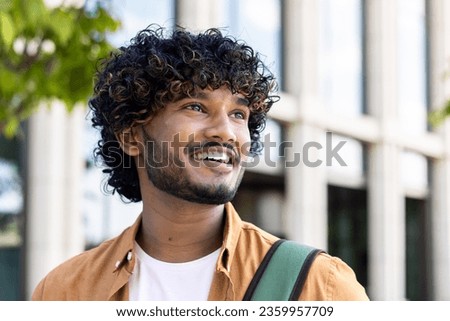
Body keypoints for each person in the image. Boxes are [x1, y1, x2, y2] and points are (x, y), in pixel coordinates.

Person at [32, 25, 369, 301]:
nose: (226, 132)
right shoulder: (65, 292)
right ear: (132, 137)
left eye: (238, 114)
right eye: (195, 107)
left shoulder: (320, 287)